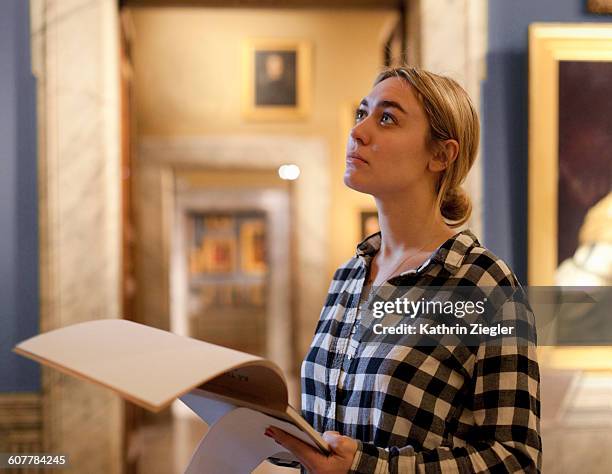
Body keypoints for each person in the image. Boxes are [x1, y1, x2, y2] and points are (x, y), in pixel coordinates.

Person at [264, 67, 542, 473]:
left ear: (441, 155)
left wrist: (366, 467)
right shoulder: (349, 275)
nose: (358, 131)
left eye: (387, 118)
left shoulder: (483, 283)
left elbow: (516, 460)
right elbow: (333, 437)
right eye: (362, 113)